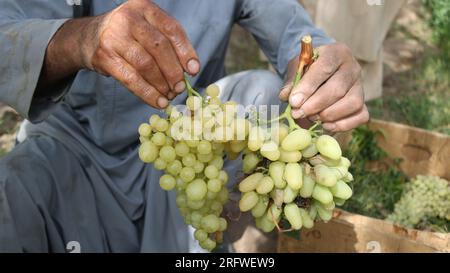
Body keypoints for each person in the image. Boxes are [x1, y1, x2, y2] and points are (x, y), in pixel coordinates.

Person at [0, 0, 369, 253]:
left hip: (190, 143)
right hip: (72, 145)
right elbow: (8, 33)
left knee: (263, 94)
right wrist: (81, 39)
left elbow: (293, 30)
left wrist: (319, 66)